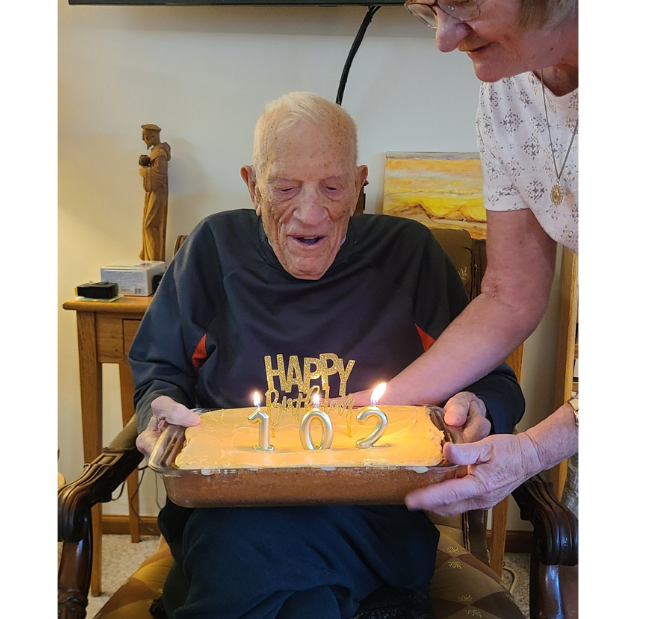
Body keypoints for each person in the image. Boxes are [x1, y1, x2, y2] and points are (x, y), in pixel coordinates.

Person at [130, 92, 524, 619]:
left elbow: (496, 384)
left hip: (370, 517)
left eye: (333, 188)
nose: (310, 212)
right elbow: (160, 375)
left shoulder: (408, 256)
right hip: (229, 508)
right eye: (285, 188)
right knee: (285, 578)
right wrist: (158, 413)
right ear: (252, 184)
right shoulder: (212, 251)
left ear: (360, 187)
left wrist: (477, 408)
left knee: (256, 572)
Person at [364, 0, 580, 517]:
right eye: (429, 10)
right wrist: (389, 400)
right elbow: (509, 292)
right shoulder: (507, 93)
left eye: (460, 1)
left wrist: (535, 448)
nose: (443, 38)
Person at [139, 123, 171, 261]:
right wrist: (146, 164)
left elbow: (161, 175)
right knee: (148, 224)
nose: (143, 139)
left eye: (145, 136)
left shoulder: (159, 153)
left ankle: (153, 260)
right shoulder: (155, 152)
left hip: (158, 193)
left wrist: (144, 171)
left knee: (150, 225)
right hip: (153, 193)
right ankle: (150, 258)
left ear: (152, 136)